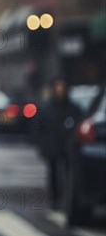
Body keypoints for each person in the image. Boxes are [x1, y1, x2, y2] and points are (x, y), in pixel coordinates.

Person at [37, 77, 82, 208]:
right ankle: (55, 199)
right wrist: (41, 143)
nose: (60, 90)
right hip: (52, 145)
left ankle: (68, 198)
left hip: (68, 145)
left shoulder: (73, 108)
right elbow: (39, 127)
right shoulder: (47, 108)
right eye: (57, 87)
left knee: (70, 173)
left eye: (62, 88)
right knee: (53, 173)